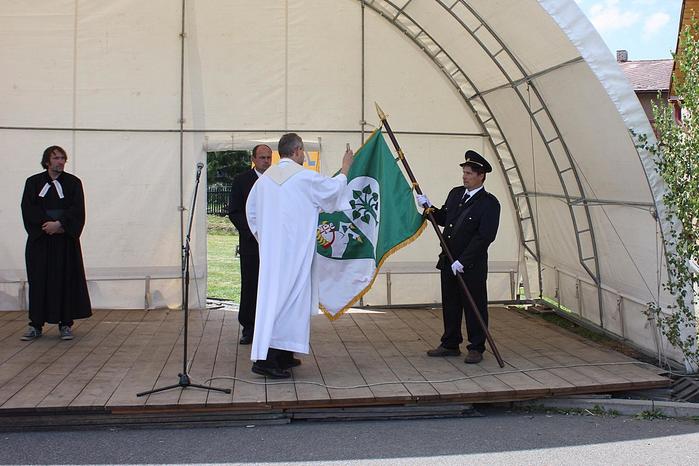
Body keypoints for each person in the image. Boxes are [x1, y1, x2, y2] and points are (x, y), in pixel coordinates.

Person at [246, 133, 354, 378]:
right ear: (296, 151)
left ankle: (284, 353)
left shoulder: (265, 180)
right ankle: (266, 360)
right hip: (294, 253)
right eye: (302, 151)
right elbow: (333, 190)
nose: (303, 155)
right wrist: (346, 168)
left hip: (274, 254)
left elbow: (251, 213)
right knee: (288, 301)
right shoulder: (304, 177)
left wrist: (266, 241)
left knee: (283, 300)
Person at [417, 150, 500, 364]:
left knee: (474, 306)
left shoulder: (489, 203)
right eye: (464, 172)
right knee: (451, 304)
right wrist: (429, 208)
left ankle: (476, 347)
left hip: (470, 265)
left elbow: (485, 237)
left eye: (469, 173)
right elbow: (445, 219)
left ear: (481, 176)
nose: (465, 177)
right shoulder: (456, 194)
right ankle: (450, 343)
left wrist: (464, 261)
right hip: (448, 260)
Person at [20, 145, 92, 341]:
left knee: (65, 280)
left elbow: (77, 209)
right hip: (41, 240)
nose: (60, 162)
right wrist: (46, 225)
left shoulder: (73, 183)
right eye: (56, 158)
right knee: (39, 281)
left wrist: (60, 224)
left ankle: (65, 324)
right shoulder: (33, 182)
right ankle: (36, 324)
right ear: (47, 161)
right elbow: (28, 208)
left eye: (62, 158)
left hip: (64, 240)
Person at [228, 144, 273, 345]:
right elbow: (234, 211)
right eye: (262, 157)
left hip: (274, 244)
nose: (266, 161)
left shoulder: (277, 180)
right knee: (250, 285)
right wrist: (253, 232)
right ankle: (249, 328)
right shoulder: (241, 181)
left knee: (271, 287)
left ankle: (271, 328)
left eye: (269, 157)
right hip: (251, 244)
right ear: (253, 159)